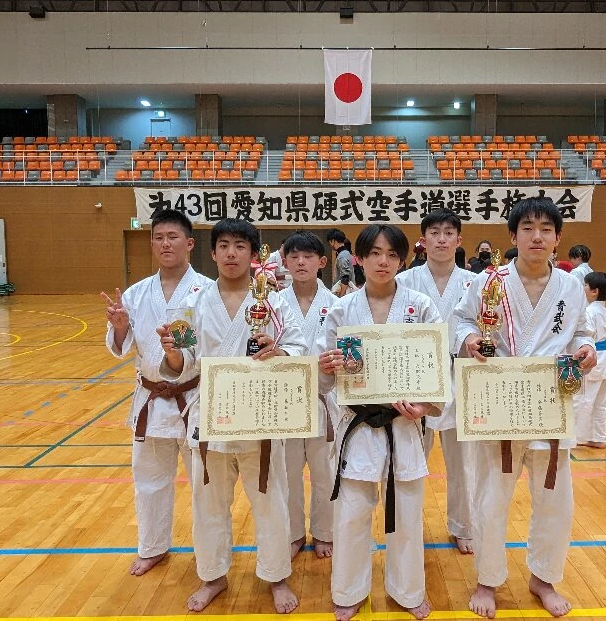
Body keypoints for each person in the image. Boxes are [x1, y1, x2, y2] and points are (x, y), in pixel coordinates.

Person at [453, 198, 596, 618]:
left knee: (555, 500)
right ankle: (487, 579)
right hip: (499, 399)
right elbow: (463, 322)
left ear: (558, 239)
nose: (537, 236)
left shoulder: (570, 286)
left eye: (546, 229)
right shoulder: (488, 282)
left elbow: (581, 332)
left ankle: (543, 577)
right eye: (528, 228)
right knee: (490, 498)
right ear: (512, 236)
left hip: (551, 402)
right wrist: (469, 340)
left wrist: (585, 348)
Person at [158, 219, 306, 614]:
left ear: (254, 254)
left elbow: (297, 343)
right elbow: (183, 359)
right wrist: (173, 352)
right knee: (208, 502)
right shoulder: (193, 302)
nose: (230, 253)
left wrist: (281, 352)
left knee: (271, 501)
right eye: (223, 245)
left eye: (240, 246)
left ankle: (276, 576)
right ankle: (212, 575)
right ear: (212, 252)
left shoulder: (273, 302)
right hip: (211, 416)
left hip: (260, 415)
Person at [318, 224, 442, 621]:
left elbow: (437, 364)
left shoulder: (421, 304)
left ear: (402, 260)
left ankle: (407, 590)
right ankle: (348, 590)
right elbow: (325, 376)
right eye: (374, 253)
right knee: (352, 511)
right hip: (357, 422)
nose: (383, 261)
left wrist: (424, 405)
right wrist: (324, 368)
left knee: (406, 511)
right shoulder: (341, 309)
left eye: (391, 254)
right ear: (360, 258)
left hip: (404, 425)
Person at [102, 209, 211, 577]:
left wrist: (181, 357)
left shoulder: (207, 292)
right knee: (149, 480)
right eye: (159, 237)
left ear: (190, 244)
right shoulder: (135, 293)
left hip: (194, 398)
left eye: (173, 237)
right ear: (151, 244)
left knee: (204, 486)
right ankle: (152, 547)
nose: (165, 244)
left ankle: (209, 554)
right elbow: (121, 346)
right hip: (150, 399)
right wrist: (119, 328)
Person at [396, 209, 477, 554]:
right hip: (419, 381)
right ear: (423, 240)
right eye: (434, 232)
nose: (441, 239)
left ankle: (464, 526)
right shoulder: (405, 281)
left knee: (464, 461)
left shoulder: (475, 284)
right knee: (413, 459)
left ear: (459, 241)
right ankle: (408, 526)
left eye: (448, 233)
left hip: (463, 379)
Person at [278, 231, 338, 560]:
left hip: (324, 400)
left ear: (322, 261)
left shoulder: (338, 305)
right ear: (284, 261)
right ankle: (292, 533)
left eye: (309, 256)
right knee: (286, 472)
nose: (301, 262)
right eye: (295, 256)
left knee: (325, 472)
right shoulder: (271, 305)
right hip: (284, 401)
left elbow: (350, 354)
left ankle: (325, 533)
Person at [573, 271, 606, 449]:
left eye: (585, 285)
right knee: (599, 402)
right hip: (605, 361)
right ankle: (598, 437)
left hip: (593, 360)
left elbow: (587, 338)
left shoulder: (589, 312)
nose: (583, 288)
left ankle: (577, 437)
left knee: (582, 400)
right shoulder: (605, 312)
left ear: (594, 291)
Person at [327, 229, 355, 297]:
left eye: (329, 242)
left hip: (345, 295)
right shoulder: (347, 253)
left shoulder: (342, 256)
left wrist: (340, 296)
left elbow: (345, 277)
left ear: (333, 241)